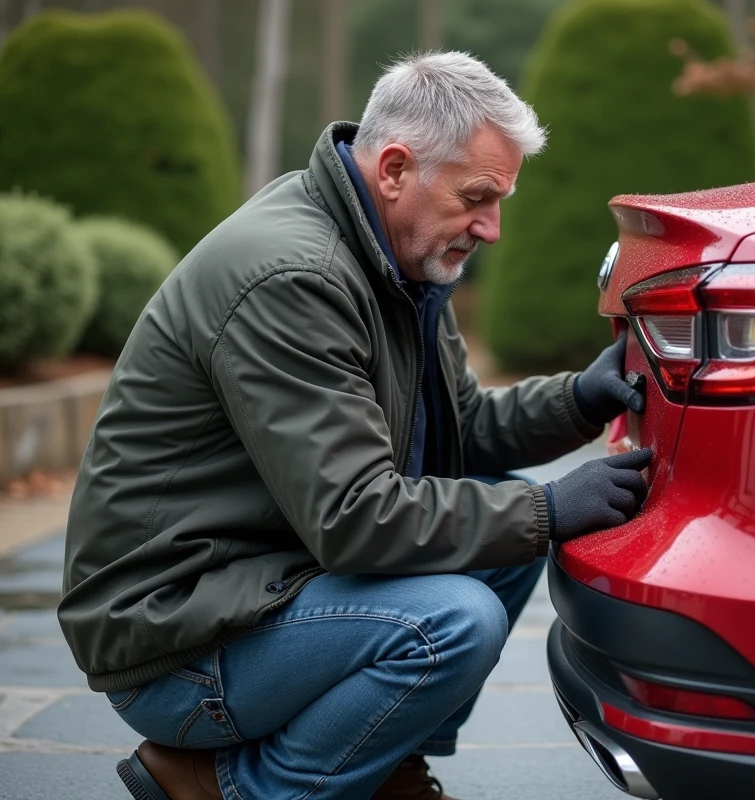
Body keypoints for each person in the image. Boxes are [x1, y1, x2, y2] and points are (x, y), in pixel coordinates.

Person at [59, 51, 651, 800]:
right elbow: (354, 516)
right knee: (455, 618)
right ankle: (232, 787)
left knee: (504, 537)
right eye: (476, 197)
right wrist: (548, 509)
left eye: (500, 200)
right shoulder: (294, 278)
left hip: (266, 584)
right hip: (176, 640)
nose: (492, 228)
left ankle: (385, 767)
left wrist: (581, 399)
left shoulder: (396, 261)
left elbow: (459, 428)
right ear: (396, 169)